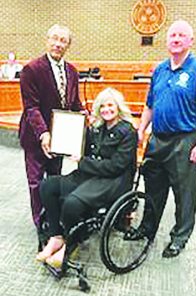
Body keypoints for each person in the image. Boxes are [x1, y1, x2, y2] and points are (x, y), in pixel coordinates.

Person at [134, 20, 196, 258]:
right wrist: (141, 129)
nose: (176, 39)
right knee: (153, 190)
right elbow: (150, 105)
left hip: (184, 141)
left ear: (190, 41)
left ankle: (179, 238)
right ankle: (147, 229)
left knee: (184, 194)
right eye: (172, 35)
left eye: (182, 35)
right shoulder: (159, 70)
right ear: (167, 40)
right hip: (158, 139)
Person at [36, 87, 137, 267]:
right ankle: (56, 235)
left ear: (118, 107)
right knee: (48, 185)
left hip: (113, 181)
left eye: (110, 105)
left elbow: (116, 166)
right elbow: (79, 146)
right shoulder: (96, 129)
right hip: (89, 175)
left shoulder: (128, 132)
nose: (106, 109)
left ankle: (71, 243)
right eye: (102, 106)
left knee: (72, 202)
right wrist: (63, 143)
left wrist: (82, 162)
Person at [19, 24, 83, 234]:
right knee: (36, 183)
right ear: (47, 40)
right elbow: (31, 107)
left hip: (61, 138)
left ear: (68, 45)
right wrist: (43, 134)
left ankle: (53, 219)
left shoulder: (72, 71)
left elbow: (74, 103)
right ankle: (41, 224)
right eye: (54, 38)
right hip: (36, 138)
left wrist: (83, 116)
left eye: (63, 40)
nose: (58, 44)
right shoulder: (31, 69)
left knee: (54, 181)